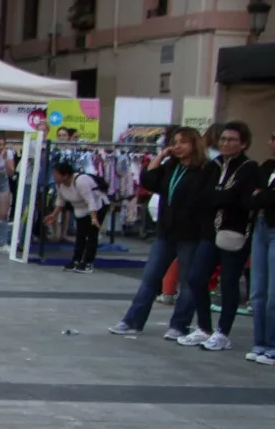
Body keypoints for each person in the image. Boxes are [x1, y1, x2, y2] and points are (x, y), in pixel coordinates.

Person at [110, 127, 215, 338]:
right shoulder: (171, 166)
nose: (177, 147)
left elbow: (205, 199)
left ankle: (179, 325)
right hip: (166, 231)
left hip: (191, 233)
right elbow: (148, 179)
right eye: (174, 142)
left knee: (186, 281)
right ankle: (132, 321)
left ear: (194, 144)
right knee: (150, 277)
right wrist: (160, 156)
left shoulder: (206, 169)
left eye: (182, 142)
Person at [178, 121, 258, 351]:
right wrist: (222, 195)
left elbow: (241, 199)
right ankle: (204, 327)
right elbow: (203, 195)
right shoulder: (213, 166)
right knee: (197, 278)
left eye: (231, 139)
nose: (225, 143)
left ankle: (223, 332)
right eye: (222, 139)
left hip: (235, 232)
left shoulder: (249, 168)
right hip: (209, 231)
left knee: (229, 282)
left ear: (242, 143)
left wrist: (221, 196)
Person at [45, 161, 106, 273]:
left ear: (66, 175)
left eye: (56, 174)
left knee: (91, 235)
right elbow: (60, 201)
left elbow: (90, 200)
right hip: (80, 209)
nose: (54, 176)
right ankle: (76, 260)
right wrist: (54, 215)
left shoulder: (80, 181)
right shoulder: (61, 185)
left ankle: (88, 263)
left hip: (97, 206)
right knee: (80, 235)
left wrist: (94, 218)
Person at [247, 131, 275, 365]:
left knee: (273, 292)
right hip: (260, 226)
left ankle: (272, 344)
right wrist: (262, 196)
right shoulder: (266, 167)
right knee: (258, 291)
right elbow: (251, 197)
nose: (271, 142)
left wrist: (263, 195)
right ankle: (260, 342)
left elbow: (263, 197)